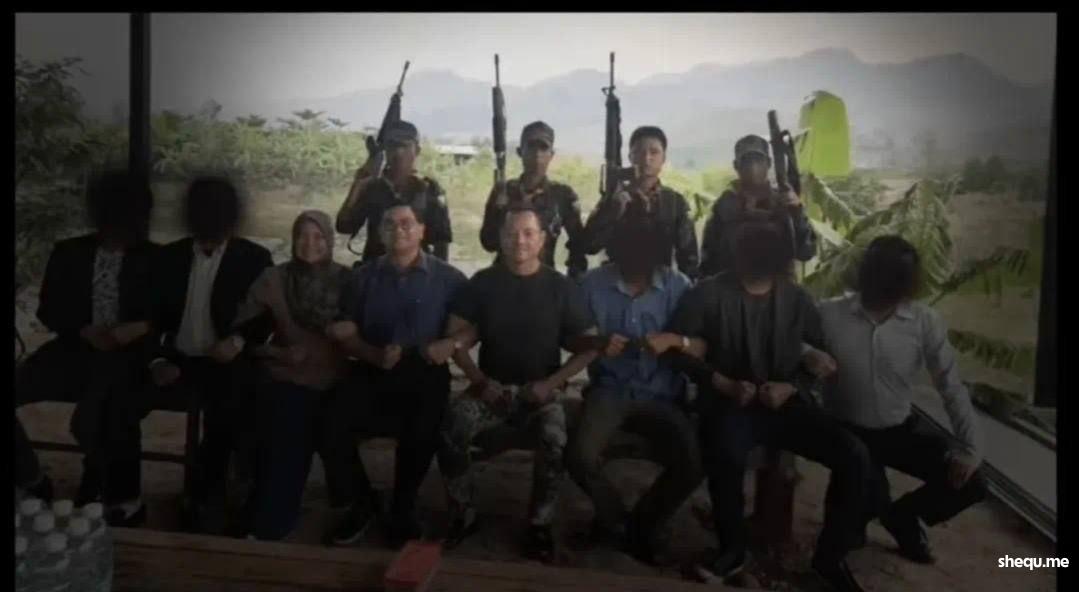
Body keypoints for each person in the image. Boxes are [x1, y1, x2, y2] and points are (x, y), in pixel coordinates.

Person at [670, 221, 873, 592]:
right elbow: (675, 352)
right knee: (725, 454)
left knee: (854, 454)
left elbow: (819, 357)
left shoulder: (797, 299)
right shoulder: (707, 294)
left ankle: (829, 557)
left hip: (785, 402)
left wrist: (791, 386)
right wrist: (722, 382)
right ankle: (733, 548)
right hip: (731, 401)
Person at [804, 235, 987, 565]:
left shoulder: (924, 321)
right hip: (846, 435)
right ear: (866, 273)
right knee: (851, 526)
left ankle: (902, 516)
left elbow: (951, 386)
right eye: (882, 274)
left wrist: (970, 450)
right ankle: (867, 511)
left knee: (971, 482)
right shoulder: (828, 313)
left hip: (898, 430)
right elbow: (787, 342)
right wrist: (807, 352)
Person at [437, 206, 598, 562]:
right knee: (452, 425)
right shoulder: (481, 283)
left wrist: (552, 384)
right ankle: (462, 510)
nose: (519, 241)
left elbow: (590, 347)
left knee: (555, 437)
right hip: (490, 389)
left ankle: (540, 523)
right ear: (500, 239)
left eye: (528, 233)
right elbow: (454, 339)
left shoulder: (562, 287)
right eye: (511, 233)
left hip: (541, 393)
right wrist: (480, 381)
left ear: (543, 240)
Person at [322, 203, 468, 549]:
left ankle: (403, 506)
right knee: (328, 421)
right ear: (380, 233)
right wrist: (371, 352)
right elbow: (346, 332)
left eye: (407, 223)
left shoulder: (450, 279)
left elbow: (472, 328)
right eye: (389, 223)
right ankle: (363, 501)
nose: (398, 229)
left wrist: (452, 343)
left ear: (422, 230)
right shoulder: (362, 278)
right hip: (374, 365)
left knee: (424, 427)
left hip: (425, 369)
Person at [15, 170, 157, 523]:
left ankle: (114, 493)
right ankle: (30, 476)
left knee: (97, 417)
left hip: (128, 357)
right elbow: (48, 309)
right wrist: (82, 330)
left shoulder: (156, 258)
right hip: (73, 350)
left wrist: (138, 329)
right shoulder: (69, 252)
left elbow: (169, 314)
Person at [568, 214, 701, 565]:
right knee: (580, 456)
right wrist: (597, 342)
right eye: (628, 258)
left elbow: (700, 344)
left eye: (645, 260)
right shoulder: (592, 284)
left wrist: (674, 340)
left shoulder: (678, 286)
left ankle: (643, 525)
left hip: (663, 393)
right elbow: (571, 339)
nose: (637, 267)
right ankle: (616, 520)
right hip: (610, 390)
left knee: (694, 463)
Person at [210, 210, 350, 541]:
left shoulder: (347, 281)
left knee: (294, 422)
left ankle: (267, 520)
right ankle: (266, 519)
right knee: (280, 420)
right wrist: (280, 353)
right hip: (282, 374)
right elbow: (245, 337)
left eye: (318, 236)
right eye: (302, 235)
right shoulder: (273, 279)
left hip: (331, 379)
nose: (309, 244)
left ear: (330, 241)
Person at [145, 176, 273, 531]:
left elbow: (265, 317)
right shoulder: (167, 258)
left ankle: (209, 494)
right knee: (118, 395)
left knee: (235, 405)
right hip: (176, 360)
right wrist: (158, 359)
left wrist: (238, 341)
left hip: (226, 360)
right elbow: (148, 318)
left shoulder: (253, 258)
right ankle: (121, 495)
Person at [582, 125, 699, 279]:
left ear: (663, 158)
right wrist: (612, 213)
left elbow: (689, 258)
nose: (646, 158)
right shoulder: (614, 198)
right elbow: (589, 246)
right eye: (639, 152)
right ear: (630, 157)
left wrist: (683, 288)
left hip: (660, 283)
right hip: (615, 283)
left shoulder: (675, 202)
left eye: (654, 152)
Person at [479, 121, 588, 278]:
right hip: (503, 278)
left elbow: (579, 245)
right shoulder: (504, 191)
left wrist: (571, 282)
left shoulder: (563, 195)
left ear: (551, 154)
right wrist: (498, 210)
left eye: (543, 148)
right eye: (531, 147)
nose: (537, 154)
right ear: (520, 151)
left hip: (544, 281)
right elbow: (488, 243)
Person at [699, 134, 816, 278]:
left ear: (769, 163)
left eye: (758, 160)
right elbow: (708, 260)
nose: (753, 167)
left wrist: (796, 212)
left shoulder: (784, 201)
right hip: (733, 286)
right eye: (747, 161)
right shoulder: (725, 205)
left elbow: (806, 252)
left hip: (778, 286)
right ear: (736, 166)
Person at [335, 120, 453, 262]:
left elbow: (441, 242)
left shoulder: (429, 189)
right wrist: (357, 186)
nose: (398, 152)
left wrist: (437, 273)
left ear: (417, 150)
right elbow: (344, 227)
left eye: (404, 146)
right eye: (392, 146)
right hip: (376, 268)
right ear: (385, 150)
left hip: (416, 269)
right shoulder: (372, 187)